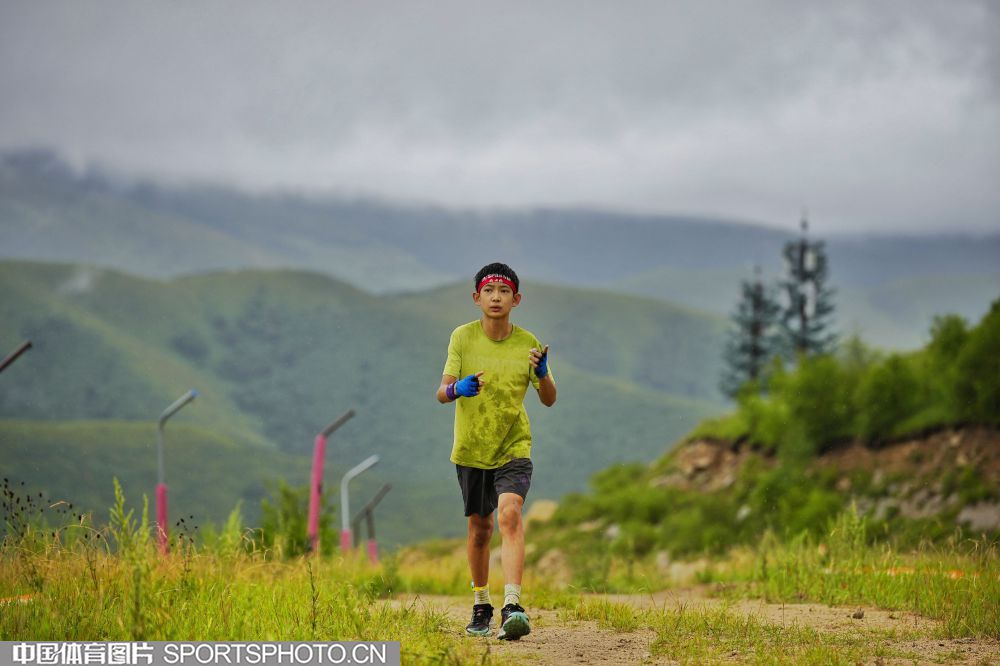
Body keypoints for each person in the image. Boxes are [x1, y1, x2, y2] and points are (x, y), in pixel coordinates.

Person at [436, 262, 557, 640]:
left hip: (513, 445)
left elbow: (549, 399)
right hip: (471, 448)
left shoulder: (528, 344)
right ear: (477, 298)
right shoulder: (462, 337)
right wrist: (459, 389)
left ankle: (513, 606)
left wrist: (542, 374)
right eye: (489, 291)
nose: (496, 298)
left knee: (509, 515)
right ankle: (481, 604)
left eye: (504, 292)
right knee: (479, 529)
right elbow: (442, 392)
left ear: (516, 299)